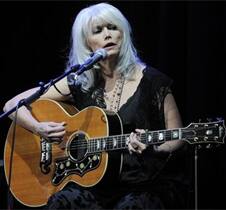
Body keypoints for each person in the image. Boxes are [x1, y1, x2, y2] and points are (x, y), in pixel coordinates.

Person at [3, 2, 189, 209]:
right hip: (95, 185)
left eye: (113, 27)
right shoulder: (79, 80)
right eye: (98, 31)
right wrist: (39, 128)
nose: (107, 35)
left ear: (123, 34)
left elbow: (178, 137)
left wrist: (152, 147)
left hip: (143, 182)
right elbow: (12, 105)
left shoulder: (153, 81)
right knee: (61, 203)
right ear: (87, 43)